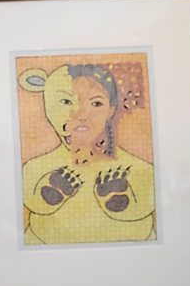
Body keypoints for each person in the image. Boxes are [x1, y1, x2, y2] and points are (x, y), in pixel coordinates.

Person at [18, 63, 156, 245]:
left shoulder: (134, 168)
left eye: (96, 103)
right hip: (47, 250)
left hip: (132, 252)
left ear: (111, 110)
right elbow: (29, 196)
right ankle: (51, 192)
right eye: (66, 102)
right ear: (48, 105)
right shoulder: (38, 168)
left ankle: (122, 199)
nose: (80, 113)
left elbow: (150, 194)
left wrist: (125, 202)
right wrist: (46, 197)